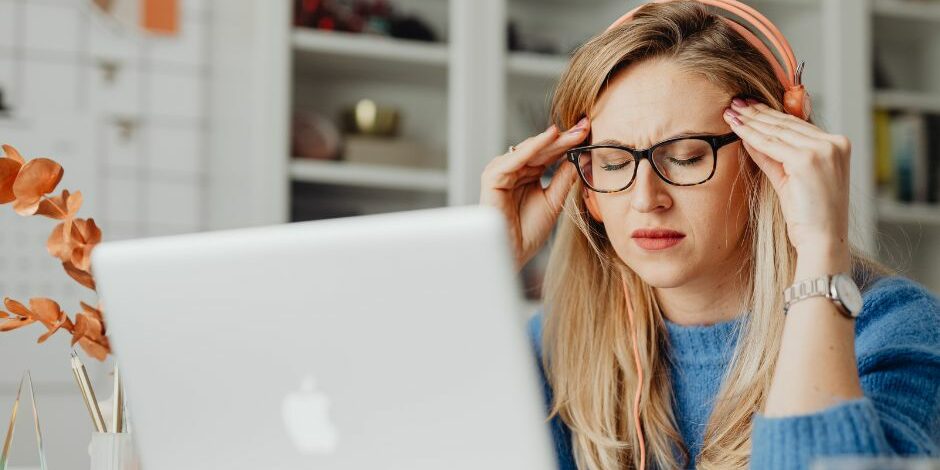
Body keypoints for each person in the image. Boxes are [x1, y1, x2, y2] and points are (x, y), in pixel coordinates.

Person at [479, 2, 940, 469]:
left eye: (686, 157)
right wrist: (486, 269)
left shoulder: (897, 330)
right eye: (614, 163)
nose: (645, 198)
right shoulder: (558, 344)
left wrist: (821, 253)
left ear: (770, 163)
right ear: (588, 190)